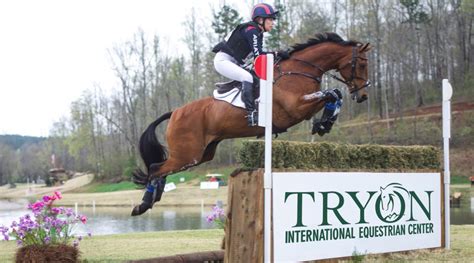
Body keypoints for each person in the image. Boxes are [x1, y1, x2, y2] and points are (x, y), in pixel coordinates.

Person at [212, 3, 288, 126]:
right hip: (223, 61)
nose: (273, 23)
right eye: (270, 19)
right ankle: (251, 113)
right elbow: (259, 55)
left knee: (254, 76)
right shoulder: (251, 31)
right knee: (247, 77)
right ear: (260, 19)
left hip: (234, 62)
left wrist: (276, 54)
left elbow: (257, 57)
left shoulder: (257, 31)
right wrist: (276, 53)